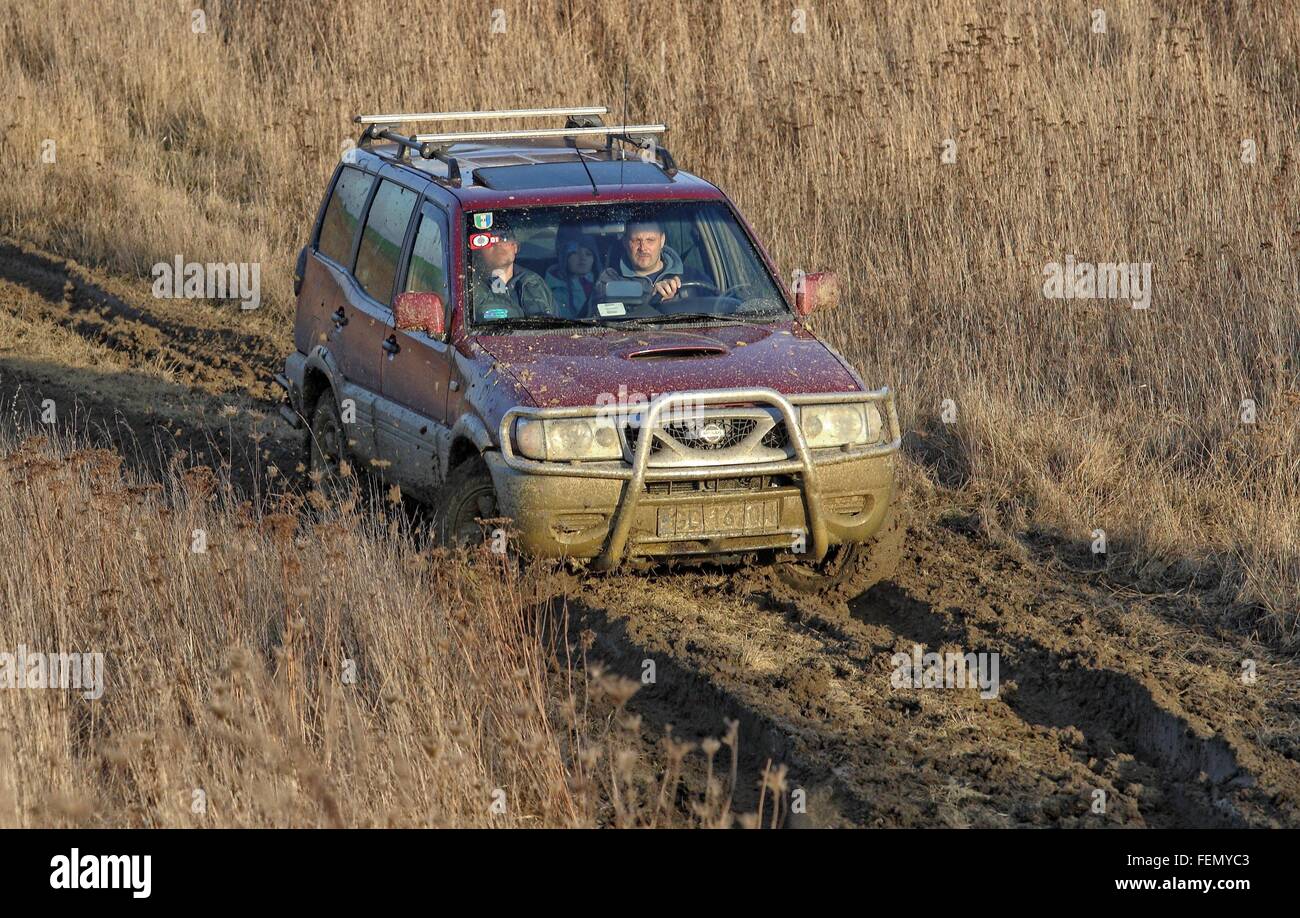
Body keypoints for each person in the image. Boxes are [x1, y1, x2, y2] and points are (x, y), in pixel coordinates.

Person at [593, 220, 706, 306]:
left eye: (650, 240)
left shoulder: (692, 277)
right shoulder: (610, 279)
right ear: (625, 243)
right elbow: (599, 313)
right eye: (636, 241)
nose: (643, 248)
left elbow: (718, 305)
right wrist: (652, 295)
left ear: (662, 241)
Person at [470, 225, 553, 319]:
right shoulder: (471, 290)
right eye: (489, 239)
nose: (498, 243)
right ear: (477, 250)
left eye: (504, 237)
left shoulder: (535, 283)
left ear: (515, 246)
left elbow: (560, 328)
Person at [544, 238, 599, 317]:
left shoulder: (601, 284)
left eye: (588, 254)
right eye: (575, 253)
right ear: (564, 257)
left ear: (594, 260)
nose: (583, 258)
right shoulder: (552, 290)